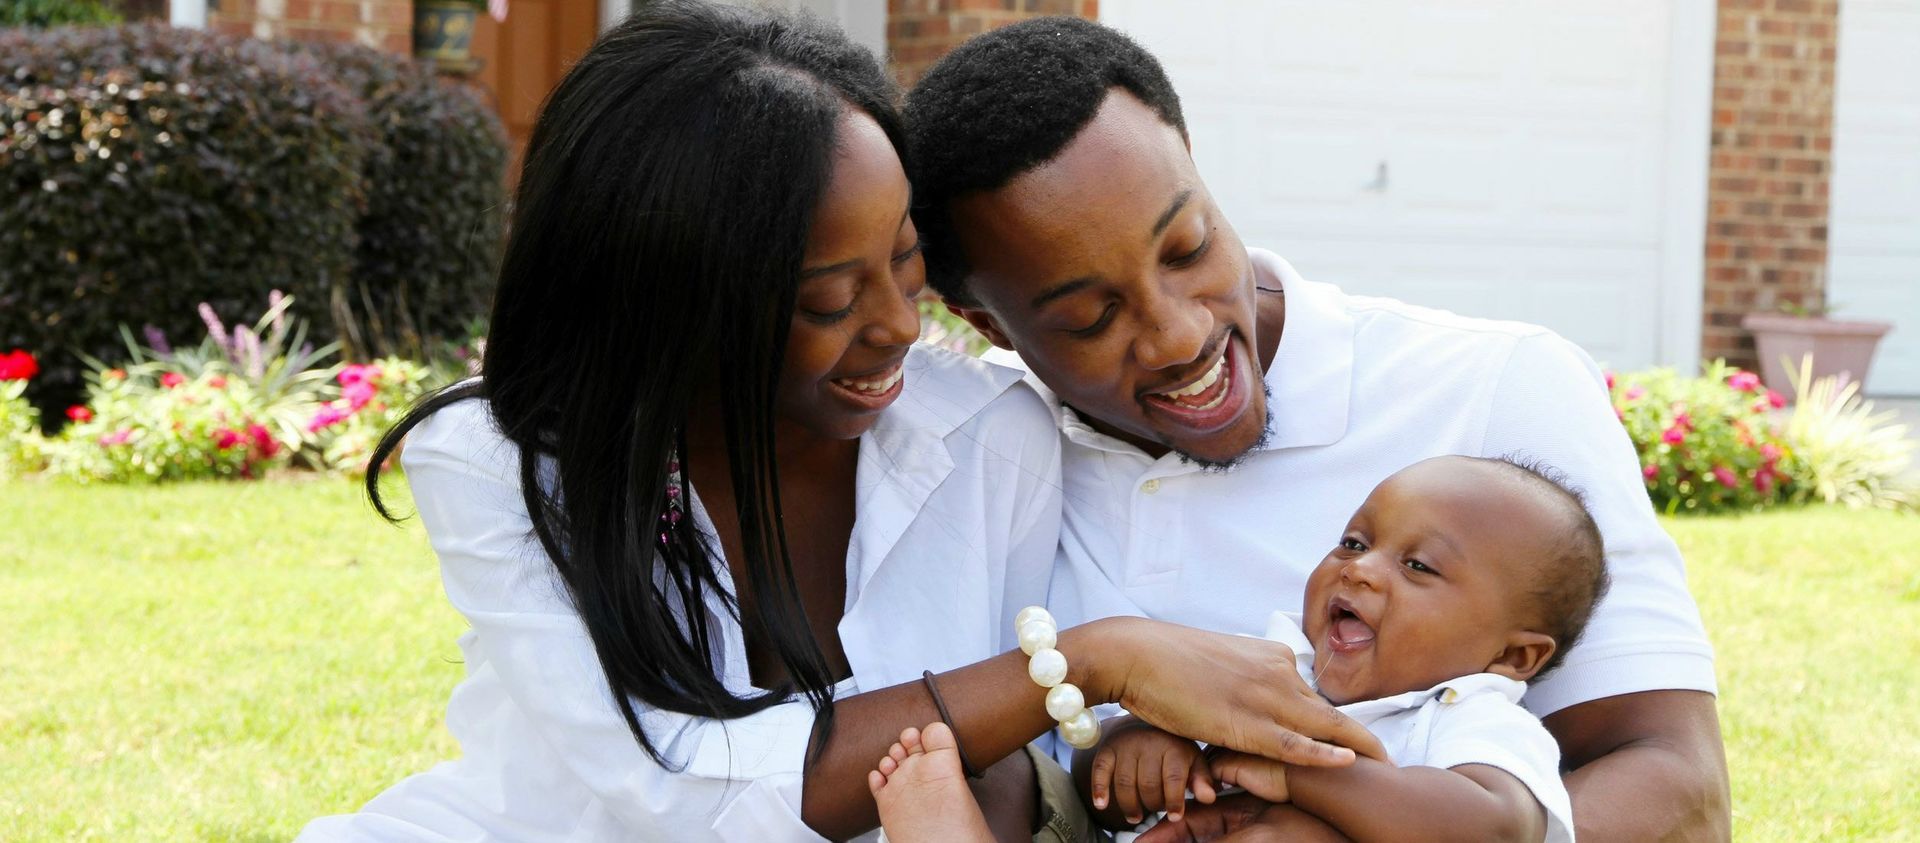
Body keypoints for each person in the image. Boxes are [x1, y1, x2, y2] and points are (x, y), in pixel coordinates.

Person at [296, 3, 1382, 842]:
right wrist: (1094, 662)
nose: (900, 327)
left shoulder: (986, 439)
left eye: (907, 264)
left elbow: (995, 772)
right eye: (828, 301)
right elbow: (672, 793)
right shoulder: (511, 467)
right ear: (680, 300)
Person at [904, 17, 1730, 842]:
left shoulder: (1499, 385)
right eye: (1092, 316)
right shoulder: (974, 451)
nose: (1181, 336)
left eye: (1187, 247)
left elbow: (1680, 790)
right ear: (992, 326)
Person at [869, 455, 1608, 843]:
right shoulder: (1274, 668)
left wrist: (1299, 781)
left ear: (1514, 658)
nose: (1358, 567)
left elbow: (1487, 827)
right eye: (1354, 541)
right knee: (1003, 755)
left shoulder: (1471, 715)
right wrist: (1137, 748)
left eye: (1417, 567)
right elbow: (1114, 787)